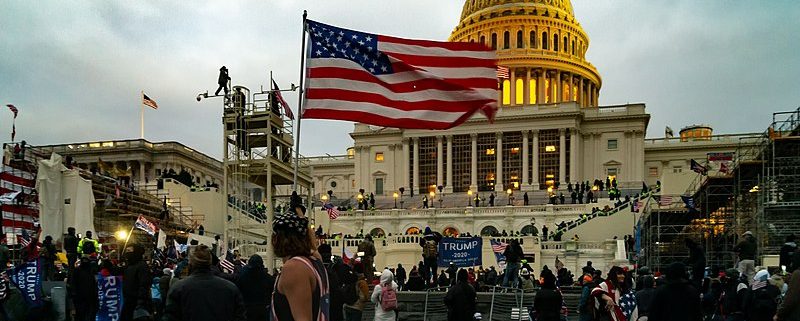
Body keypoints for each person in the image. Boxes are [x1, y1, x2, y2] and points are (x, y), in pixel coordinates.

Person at [270, 207, 330, 321]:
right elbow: (312, 246)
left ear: (278, 238)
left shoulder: (294, 268)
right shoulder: (315, 262)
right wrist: (301, 219)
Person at [165, 244, 246, 321]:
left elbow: (170, 317)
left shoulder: (178, 288)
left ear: (190, 264)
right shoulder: (231, 289)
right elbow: (240, 317)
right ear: (210, 262)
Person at [121, 244, 152, 321]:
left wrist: (140, 302)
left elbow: (144, 285)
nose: (127, 253)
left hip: (137, 303)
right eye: (126, 251)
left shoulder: (142, 266)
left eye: (129, 251)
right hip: (128, 301)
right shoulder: (129, 266)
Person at [236, 254, 272, 321]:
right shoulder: (268, 278)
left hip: (247, 308)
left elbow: (238, 292)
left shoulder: (242, 277)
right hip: (263, 309)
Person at [71, 257, 98, 321]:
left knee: (83, 313)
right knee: (83, 313)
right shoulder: (88, 271)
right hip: (83, 297)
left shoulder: (79, 270)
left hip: (84, 297)